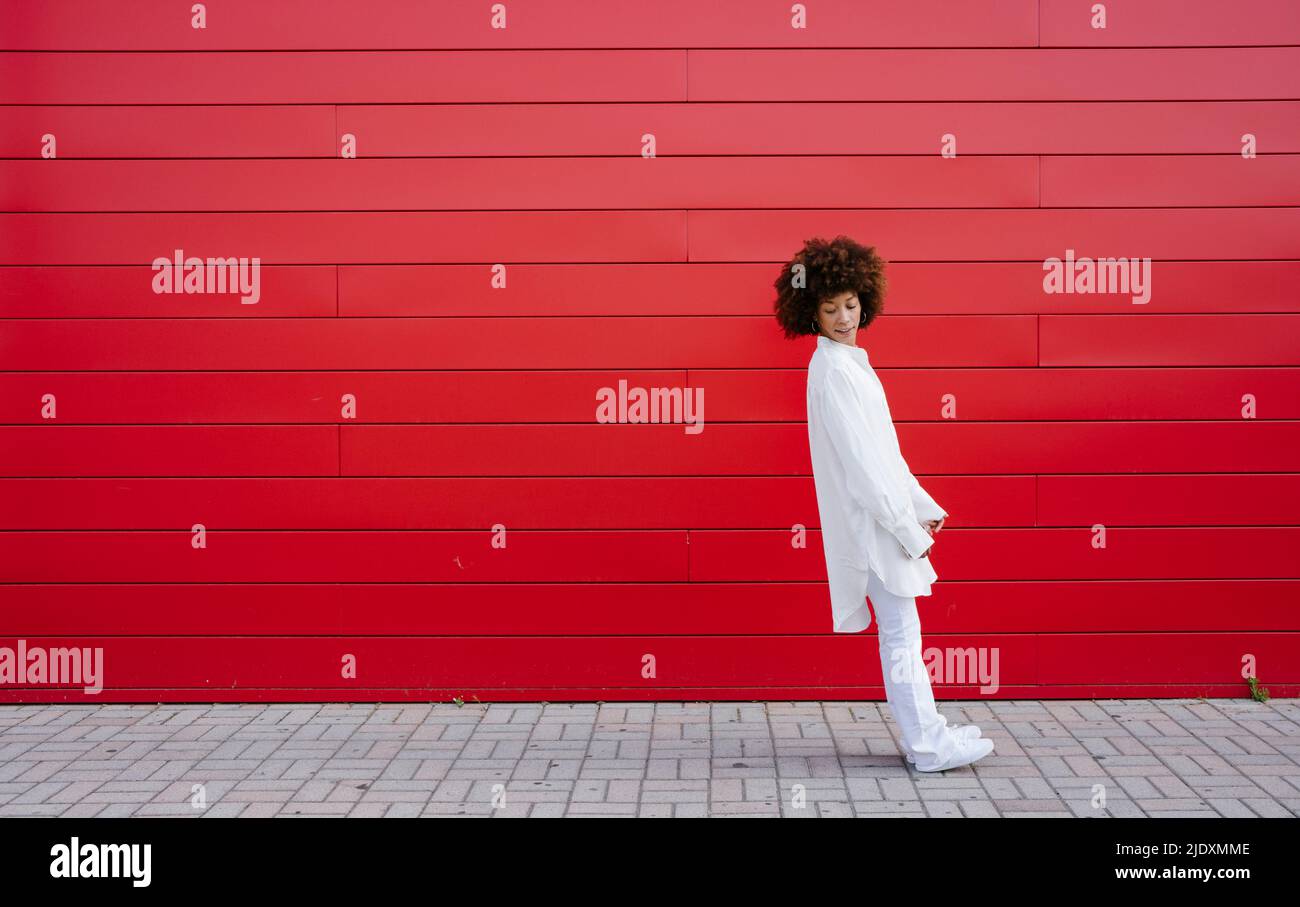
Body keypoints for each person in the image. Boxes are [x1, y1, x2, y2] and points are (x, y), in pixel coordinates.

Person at [773, 235, 995, 772]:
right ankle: (928, 746)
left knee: (905, 633)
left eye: (850, 304)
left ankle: (931, 732)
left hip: (883, 523)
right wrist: (907, 528)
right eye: (830, 309)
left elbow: (885, 453)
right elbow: (865, 470)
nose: (844, 317)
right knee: (901, 635)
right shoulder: (833, 371)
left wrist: (920, 504)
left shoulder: (848, 363)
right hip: (873, 528)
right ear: (811, 315)